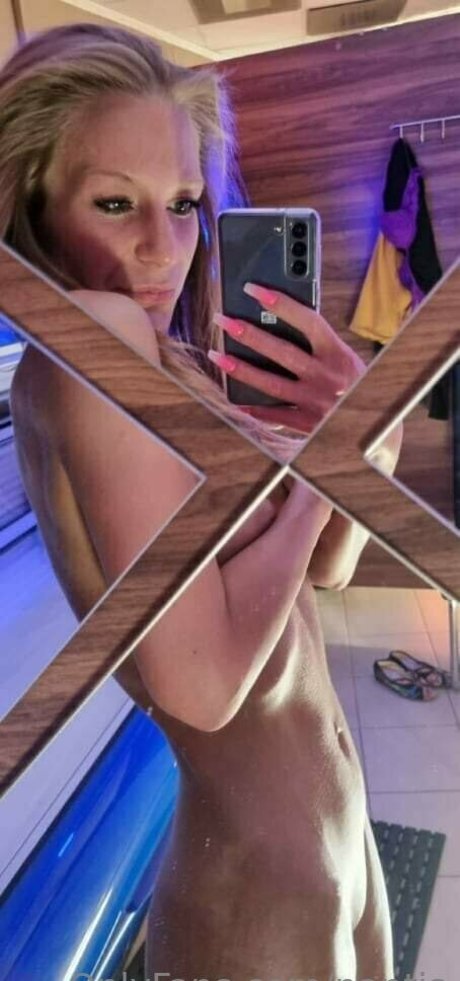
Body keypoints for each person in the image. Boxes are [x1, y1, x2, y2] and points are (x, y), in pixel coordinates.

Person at [1, 23, 402, 980]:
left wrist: (365, 431)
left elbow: (327, 570)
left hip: (336, 846)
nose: (162, 246)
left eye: (183, 203)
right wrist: (320, 470)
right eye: (115, 202)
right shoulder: (90, 346)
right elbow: (203, 684)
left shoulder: (171, 364)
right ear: (35, 208)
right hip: (257, 892)